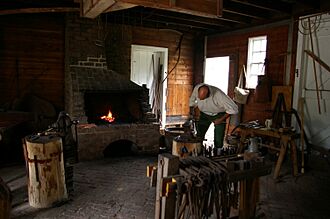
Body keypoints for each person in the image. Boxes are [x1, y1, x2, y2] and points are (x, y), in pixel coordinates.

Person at [189, 83, 238, 148]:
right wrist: (192, 112)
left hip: (218, 115)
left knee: (218, 137)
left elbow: (234, 108)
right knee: (199, 135)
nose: (200, 100)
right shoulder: (197, 88)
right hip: (204, 114)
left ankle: (218, 152)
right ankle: (198, 149)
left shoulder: (219, 95)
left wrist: (221, 119)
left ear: (209, 95)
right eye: (199, 98)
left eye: (203, 99)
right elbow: (192, 102)